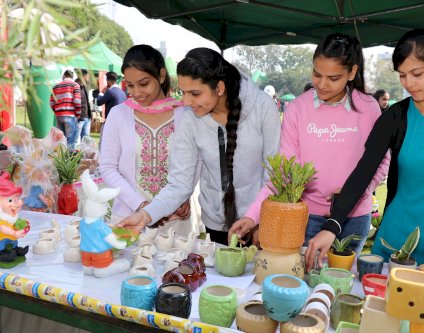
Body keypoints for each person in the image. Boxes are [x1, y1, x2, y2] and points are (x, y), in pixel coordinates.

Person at [305, 28, 424, 272]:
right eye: (402, 75)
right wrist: (332, 227)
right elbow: (362, 174)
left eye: (417, 73)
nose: (409, 84)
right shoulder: (395, 117)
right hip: (393, 241)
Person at [229, 33, 390, 254]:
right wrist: (252, 216)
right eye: (317, 74)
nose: (322, 84)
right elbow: (284, 174)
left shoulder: (369, 108)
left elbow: (382, 161)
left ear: (352, 72)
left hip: (355, 218)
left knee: (343, 284)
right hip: (309, 217)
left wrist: (361, 191)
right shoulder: (297, 109)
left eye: (333, 78)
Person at [116, 47, 281, 245]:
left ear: (219, 88)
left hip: (259, 223)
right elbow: (179, 184)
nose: (186, 101)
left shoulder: (263, 107)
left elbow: (274, 176)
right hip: (215, 223)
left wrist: (257, 220)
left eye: (194, 93)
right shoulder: (190, 118)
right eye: (183, 92)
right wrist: (144, 216)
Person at [99, 45, 191, 232]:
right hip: (129, 219)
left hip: (175, 221)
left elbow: (194, 164)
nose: (137, 93)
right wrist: (141, 205)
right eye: (130, 85)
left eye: (144, 83)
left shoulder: (185, 114)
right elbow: (108, 168)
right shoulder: (119, 114)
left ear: (162, 75)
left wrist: (184, 197)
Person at [0, 172, 29, 264]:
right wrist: (14, 233)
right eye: (10, 200)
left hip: (11, 238)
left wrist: (23, 224)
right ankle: (3, 255)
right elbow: (3, 228)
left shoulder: (10, 216)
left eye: (16, 199)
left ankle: (16, 250)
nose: (16, 204)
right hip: (2, 239)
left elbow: (14, 224)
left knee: (13, 244)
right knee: (2, 246)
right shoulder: (2, 218)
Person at [49, 70, 81, 151]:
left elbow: (51, 102)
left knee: (60, 140)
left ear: (64, 76)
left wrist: (57, 112)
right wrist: (78, 114)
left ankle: (60, 160)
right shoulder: (75, 85)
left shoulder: (56, 86)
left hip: (59, 116)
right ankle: (69, 161)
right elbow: (77, 101)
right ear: (72, 77)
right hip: (70, 115)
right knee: (70, 140)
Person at [75, 69, 92, 146]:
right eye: (87, 76)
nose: (88, 77)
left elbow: (87, 102)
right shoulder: (75, 86)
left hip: (87, 117)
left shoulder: (84, 86)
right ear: (83, 76)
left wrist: (90, 115)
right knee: (76, 140)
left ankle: (84, 157)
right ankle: (73, 157)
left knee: (85, 140)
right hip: (80, 117)